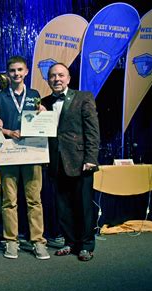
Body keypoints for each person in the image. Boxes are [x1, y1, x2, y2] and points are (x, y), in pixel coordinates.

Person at [0, 56, 50, 260]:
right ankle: (11, 241)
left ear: (26, 72)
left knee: (34, 200)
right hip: (9, 153)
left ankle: (38, 241)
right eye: (12, 71)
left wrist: (42, 113)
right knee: (9, 201)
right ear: (7, 74)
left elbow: (41, 124)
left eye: (19, 70)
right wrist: (5, 130)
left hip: (31, 153)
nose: (16, 74)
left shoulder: (34, 95)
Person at [41, 63, 100, 261]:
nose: (56, 79)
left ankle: (86, 245)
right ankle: (70, 242)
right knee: (62, 205)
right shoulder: (43, 102)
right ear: (48, 80)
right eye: (52, 76)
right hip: (56, 162)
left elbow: (92, 130)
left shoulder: (84, 97)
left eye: (60, 75)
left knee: (83, 205)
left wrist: (91, 158)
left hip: (80, 160)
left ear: (68, 78)